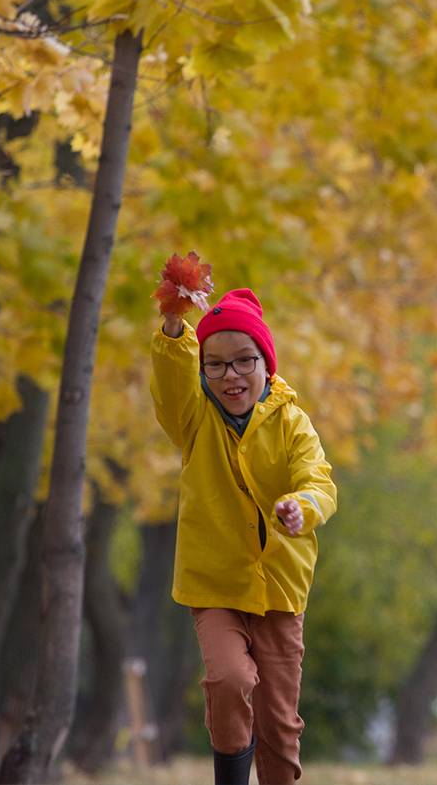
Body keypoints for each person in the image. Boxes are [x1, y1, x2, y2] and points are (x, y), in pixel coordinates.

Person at [150, 286, 337, 785]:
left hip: (280, 589)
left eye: (243, 361)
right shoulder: (193, 419)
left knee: (279, 723)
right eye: (215, 365)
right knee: (229, 680)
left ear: (265, 364)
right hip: (216, 585)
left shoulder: (293, 423)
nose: (230, 375)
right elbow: (171, 388)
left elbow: (319, 482)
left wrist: (302, 507)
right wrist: (173, 330)